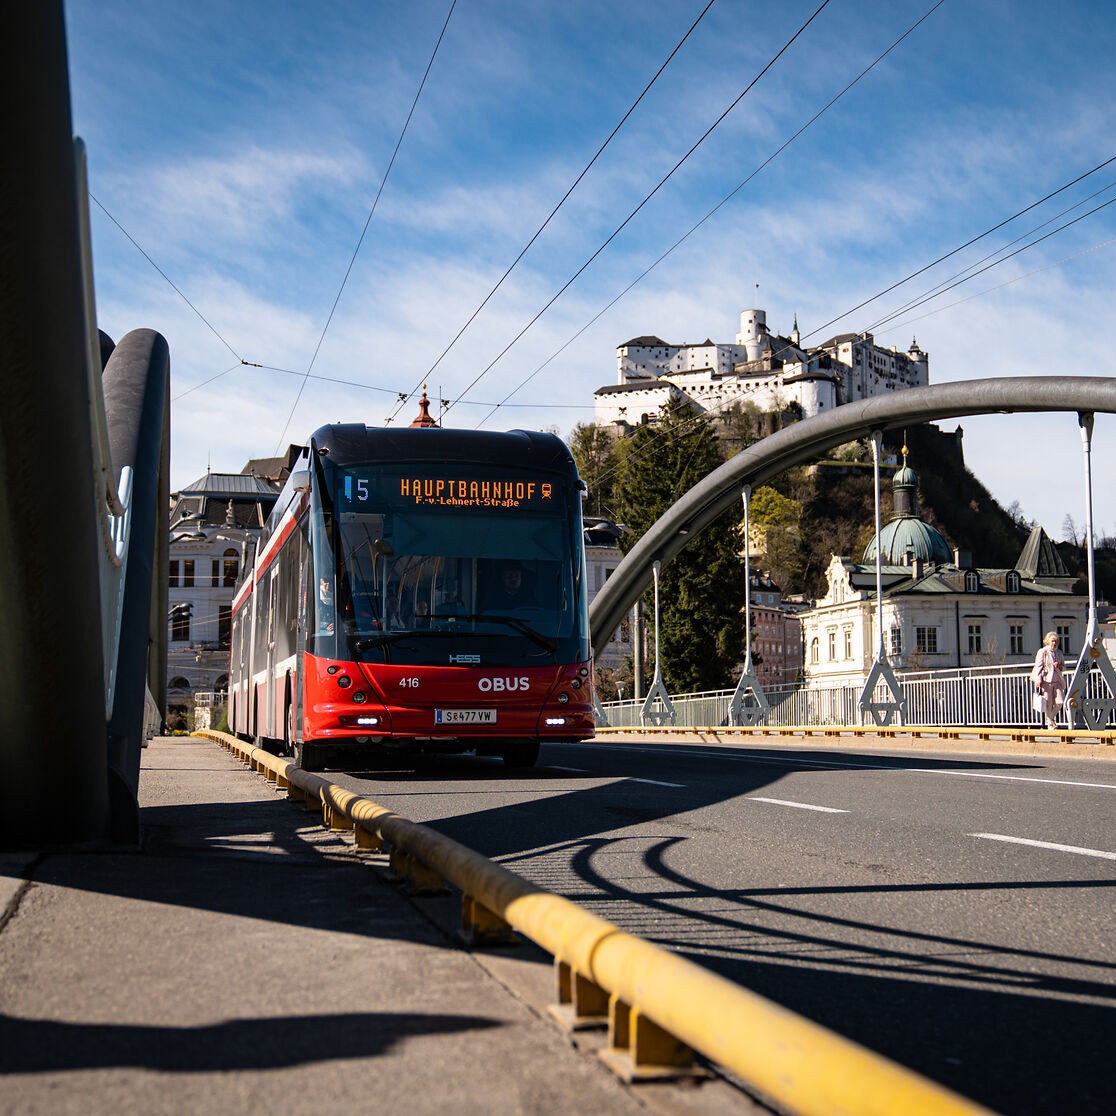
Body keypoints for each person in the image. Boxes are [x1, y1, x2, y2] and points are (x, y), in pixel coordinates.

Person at [1031, 630, 1066, 730]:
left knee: (1060, 702)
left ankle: (1050, 719)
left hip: (1057, 680)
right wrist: (1038, 680)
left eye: (1055, 641)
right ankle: (1050, 724)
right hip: (1046, 680)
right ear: (1047, 641)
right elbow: (1038, 666)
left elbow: (1064, 666)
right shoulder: (1043, 651)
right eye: (1052, 641)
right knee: (1048, 703)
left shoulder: (1059, 653)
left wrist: (1059, 666)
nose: (1054, 643)